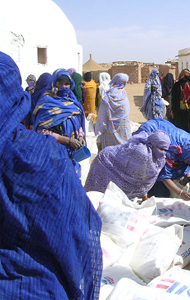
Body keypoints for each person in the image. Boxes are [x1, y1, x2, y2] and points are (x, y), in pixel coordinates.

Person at [0, 51, 102, 299]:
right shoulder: (39, 153)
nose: (65, 87)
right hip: (33, 286)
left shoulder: (73, 106)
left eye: (68, 83)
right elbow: (79, 232)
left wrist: (76, 141)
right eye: (61, 83)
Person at [85, 130, 170, 198]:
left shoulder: (158, 157)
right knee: (99, 194)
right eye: (161, 149)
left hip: (116, 165)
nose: (163, 152)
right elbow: (137, 178)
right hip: (105, 163)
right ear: (153, 144)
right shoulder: (142, 153)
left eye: (165, 150)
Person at [33, 68, 86, 177]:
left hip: (73, 155)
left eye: (66, 84)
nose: (63, 86)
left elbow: (78, 123)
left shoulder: (73, 102)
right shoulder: (46, 102)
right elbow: (41, 131)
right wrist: (68, 140)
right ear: (54, 83)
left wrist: (80, 136)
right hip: (54, 154)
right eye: (60, 83)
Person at [136, 118, 190, 200]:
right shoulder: (168, 152)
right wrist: (180, 192)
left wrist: (188, 176)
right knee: (159, 190)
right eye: (188, 162)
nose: (188, 164)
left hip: (163, 133)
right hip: (150, 132)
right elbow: (162, 174)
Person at [95, 73, 132, 151]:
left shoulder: (108, 95)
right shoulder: (123, 93)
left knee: (110, 151)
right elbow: (126, 110)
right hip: (123, 127)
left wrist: (101, 127)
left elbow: (103, 113)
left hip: (110, 128)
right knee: (123, 150)